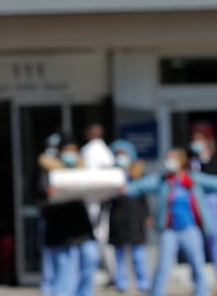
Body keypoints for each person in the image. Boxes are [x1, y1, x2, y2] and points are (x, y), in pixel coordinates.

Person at [124, 147, 217, 296]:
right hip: (169, 231)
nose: (168, 162)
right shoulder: (163, 180)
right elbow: (139, 186)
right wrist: (118, 189)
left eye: (172, 158)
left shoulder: (193, 179)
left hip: (190, 229)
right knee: (163, 266)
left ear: (182, 161)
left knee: (197, 266)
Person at [39, 134, 99, 296]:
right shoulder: (47, 168)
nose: (71, 153)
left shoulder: (81, 168)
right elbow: (41, 193)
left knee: (90, 258)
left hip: (81, 226)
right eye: (67, 149)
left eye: (73, 149)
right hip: (61, 226)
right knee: (66, 269)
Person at [187, 123, 217, 292]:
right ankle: (196, 278)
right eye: (194, 139)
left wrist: (204, 158)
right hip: (194, 203)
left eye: (200, 138)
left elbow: (213, 177)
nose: (196, 142)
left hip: (211, 202)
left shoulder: (213, 157)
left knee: (215, 239)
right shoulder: (190, 159)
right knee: (195, 242)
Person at [107, 139, 151, 293]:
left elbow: (143, 197)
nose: (121, 157)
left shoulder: (137, 173)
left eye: (123, 154)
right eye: (118, 154)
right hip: (117, 217)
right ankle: (121, 282)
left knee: (137, 253)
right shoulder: (110, 173)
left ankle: (142, 282)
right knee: (118, 254)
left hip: (134, 217)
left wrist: (147, 215)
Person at [79, 122, 116, 283]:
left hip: (97, 201)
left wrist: (104, 193)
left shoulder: (100, 151)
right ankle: (105, 272)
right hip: (90, 199)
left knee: (100, 237)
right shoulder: (91, 150)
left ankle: (111, 273)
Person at [38, 132, 64, 296]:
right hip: (48, 214)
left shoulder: (65, 165)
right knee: (48, 252)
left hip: (62, 216)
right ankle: (47, 285)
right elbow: (39, 189)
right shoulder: (42, 166)